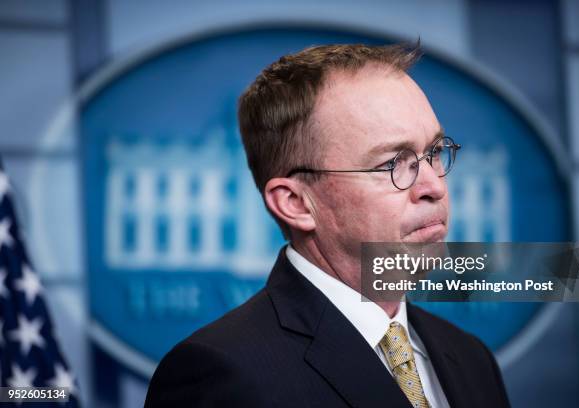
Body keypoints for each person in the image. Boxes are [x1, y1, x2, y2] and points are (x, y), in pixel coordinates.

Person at [144, 43, 511, 408]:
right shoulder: (220, 374)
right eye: (391, 164)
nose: (434, 186)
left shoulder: (471, 358)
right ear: (296, 203)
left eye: (433, 152)